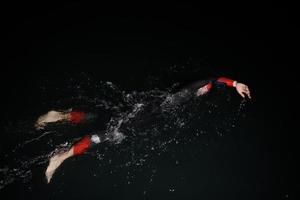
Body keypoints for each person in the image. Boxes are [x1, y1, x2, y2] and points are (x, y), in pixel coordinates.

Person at [43, 77, 251, 183]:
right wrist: (235, 83)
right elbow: (211, 79)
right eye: (205, 90)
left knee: (102, 115)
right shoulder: (186, 95)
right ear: (202, 89)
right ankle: (60, 157)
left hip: (141, 105)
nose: (206, 91)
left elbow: (210, 81)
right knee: (109, 135)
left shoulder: (184, 97)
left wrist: (233, 83)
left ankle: (59, 115)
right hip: (143, 115)